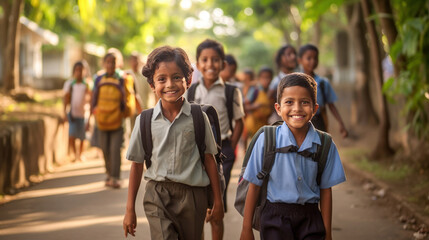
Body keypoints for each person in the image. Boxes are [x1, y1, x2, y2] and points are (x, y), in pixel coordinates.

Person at [123, 46, 224, 239]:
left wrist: (217, 202)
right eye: (162, 79)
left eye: (177, 77)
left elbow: (209, 159)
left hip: (193, 196)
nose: (170, 84)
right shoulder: (144, 121)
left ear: (189, 80)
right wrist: (130, 210)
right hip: (157, 195)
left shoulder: (198, 117)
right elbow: (136, 165)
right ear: (152, 84)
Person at [240, 73, 346, 240]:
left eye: (305, 102)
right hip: (275, 217)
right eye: (289, 102)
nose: (297, 108)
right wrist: (246, 229)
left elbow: (326, 191)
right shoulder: (267, 139)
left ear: (315, 109)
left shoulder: (325, 144)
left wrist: (328, 233)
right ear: (278, 108)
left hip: (311, 217)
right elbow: (254, 185)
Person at [187, 39, 245, 239]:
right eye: (205, 60)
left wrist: (230, 148)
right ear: (198, 63)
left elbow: (239, 122)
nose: (210, 64)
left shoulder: (231, 91)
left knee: (216, 201)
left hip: (222, 152)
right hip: (196, 152)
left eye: (215, 60)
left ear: (223, 64)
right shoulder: (191, 91)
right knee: (199, 203)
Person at [90, 53, 127, 189]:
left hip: (118, 120)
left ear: (117, 63)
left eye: (113, 62)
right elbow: (94, 97)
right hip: (102, 120)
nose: (110, 65)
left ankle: (115, 177)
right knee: (105, 149)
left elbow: (127, 98)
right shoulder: (99, 78)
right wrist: (91, 115)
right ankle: (109, 173)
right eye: (108, 62)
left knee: (115, 149)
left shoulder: (122, 78)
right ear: (104, 63)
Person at [298, 44, 348, 138]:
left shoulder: (322, 83)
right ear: (300, 60)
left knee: (319, 149)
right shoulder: (295, 82)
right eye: (309, 58)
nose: (313, 61)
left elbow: (331, 105)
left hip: (319, 122)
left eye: (315, 58)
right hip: (300, 121)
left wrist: (341, 123)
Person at [63, 61, 91, 162]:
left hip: (84, 114)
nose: (79, 72)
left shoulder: (87, 84)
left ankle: (81, 153)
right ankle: (74, 155)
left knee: (83, 137)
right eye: (77, 70)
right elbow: (65, 99)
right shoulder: (70, 84)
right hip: (73, 114)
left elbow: (90, 98)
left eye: (81, 70)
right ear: (74, 71)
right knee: (72, 135)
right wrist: (64, 112)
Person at [267, 45, 298, 124]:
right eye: (289, 54)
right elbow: (269, 98)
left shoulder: (301, 77)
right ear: (281, 59)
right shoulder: (276, 81)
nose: (293, 57)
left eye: (294, 54)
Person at [126, 52, 155, 127]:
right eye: (133, 60)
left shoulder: (145, 76)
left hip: (144, 109)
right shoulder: (126, 75)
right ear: (130, 62)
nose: (135, 63)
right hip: (131, 110)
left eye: (137, 60)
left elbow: (153, 92)